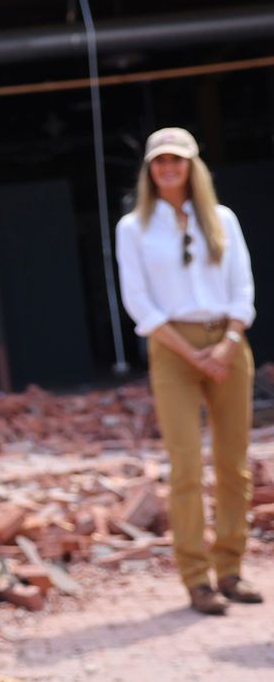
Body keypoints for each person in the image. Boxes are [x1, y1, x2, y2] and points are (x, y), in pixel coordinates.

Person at [115, 126, 258, 616]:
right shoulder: (133, 228)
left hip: (228, 342)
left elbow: (243, 288)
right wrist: (190, 352)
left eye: (177, 160)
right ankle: (196, 578)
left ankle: (231, 568)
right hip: (172, 347)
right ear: (151, 170)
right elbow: (138, 301)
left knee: (234, 463)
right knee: (185, 465)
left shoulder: (221, 219)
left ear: (192, 166)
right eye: (160, 161)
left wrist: (227, 343)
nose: (168, 168)